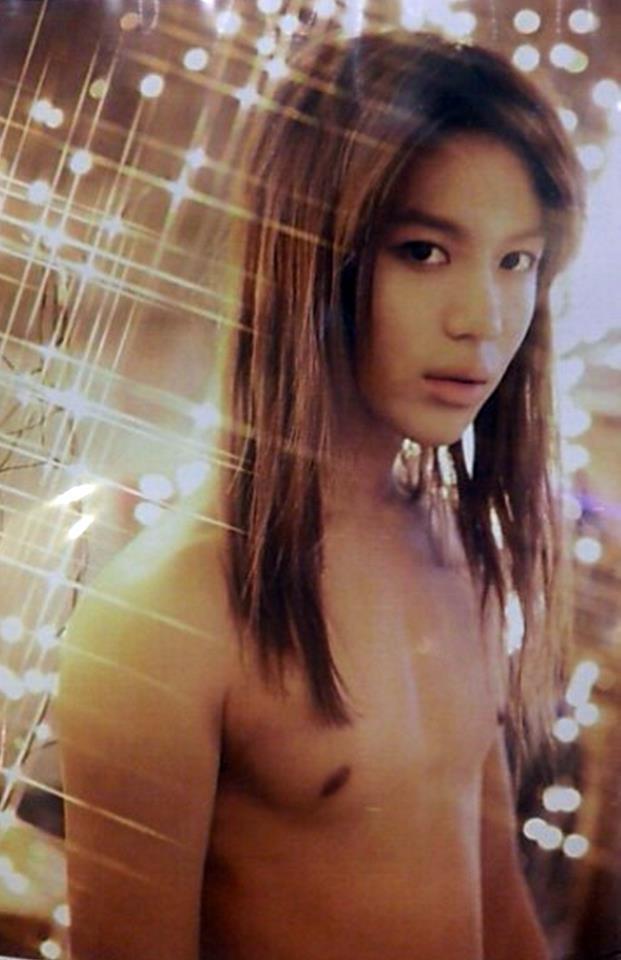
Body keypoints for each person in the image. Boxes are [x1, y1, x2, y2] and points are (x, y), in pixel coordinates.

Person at [56, 30, 584, 960]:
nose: (483, 321)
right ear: (311, 261)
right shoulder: (163, 620)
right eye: (423, 251)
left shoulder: (454, 546)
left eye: (516, 261)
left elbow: (498, 903)